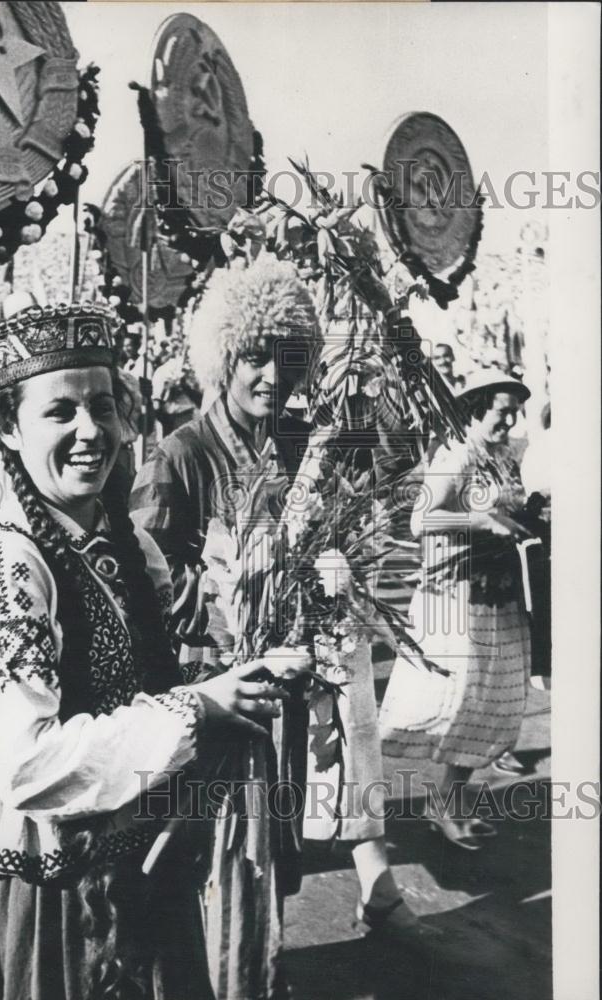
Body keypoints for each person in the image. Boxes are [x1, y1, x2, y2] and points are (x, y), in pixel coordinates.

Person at [0, 302, 294, 1000]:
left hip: (142, 857)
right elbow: (26, 768)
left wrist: (250, 671)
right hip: (45, 883)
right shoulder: (0, 565)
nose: (90, 430)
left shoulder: (126, 544)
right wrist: (194, 707)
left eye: (102, 406)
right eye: (59, 412)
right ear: (6, 427)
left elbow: (156, 676)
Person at [130, 257, 430, 993]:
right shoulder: (179, 457)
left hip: (284, 707)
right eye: (254, 357)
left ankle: (255, 969)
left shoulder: (300, 445)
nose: (271, 375)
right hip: (208, 707)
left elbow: (387, 474)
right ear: (220, 359)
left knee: (271, 861)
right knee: (208, 867)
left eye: (288, 358)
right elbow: (144, 585)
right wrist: (234, 596)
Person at [378, 369, 535, 848]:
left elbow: (511, 507)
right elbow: (421, 519)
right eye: (501, 412)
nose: (509, 421)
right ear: (476, 408)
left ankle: (449, 796)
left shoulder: (502, 454)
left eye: (514, 413)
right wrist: (484, 521)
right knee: (464, 699)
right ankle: (439, 801)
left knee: (494, 699)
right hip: (458, 593)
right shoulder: (456, 453)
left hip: (499, 591)